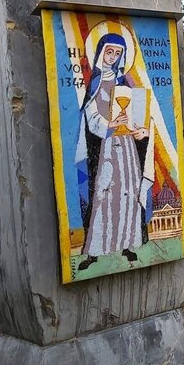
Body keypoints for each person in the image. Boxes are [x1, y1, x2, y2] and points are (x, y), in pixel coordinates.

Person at [76, 33, 152, 270]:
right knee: (104, 194)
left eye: (118, 53)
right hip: (106, 147)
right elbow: (90, 115)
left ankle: (129, 244)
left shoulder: (125, 83)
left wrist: (142, 130)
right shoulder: (96, 83)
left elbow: (138, 115)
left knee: (128, 192)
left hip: (127, 147)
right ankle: (94, 251)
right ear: (100, 53)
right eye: (109, 52)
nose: (113, 57)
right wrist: (108, 125)